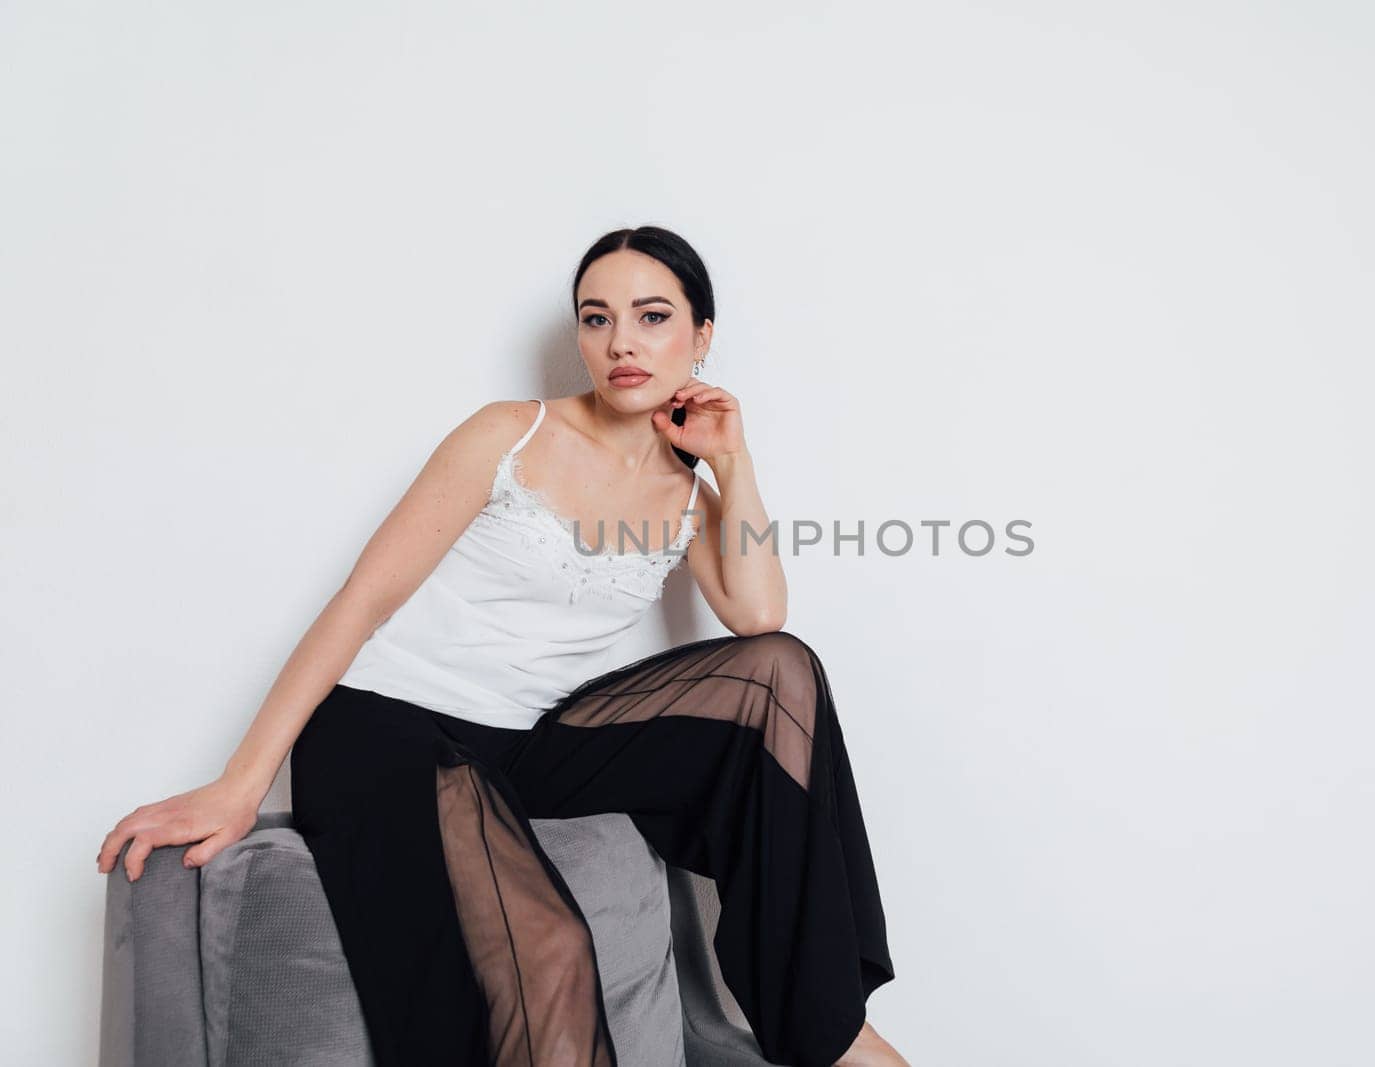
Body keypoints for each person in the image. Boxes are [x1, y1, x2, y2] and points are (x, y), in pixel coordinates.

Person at [96, 225, 906, 1067]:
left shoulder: (690, 497)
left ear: (701, 336)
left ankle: (824, 1026)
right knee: (549, 948)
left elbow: (760, 615)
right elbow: (362, 601)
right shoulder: (511, 435)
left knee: (780, 674)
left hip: (529, 739)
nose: (622, 341)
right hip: (391, 725)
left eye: (652, 315)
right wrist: (241, 782)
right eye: (597, 319)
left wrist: (731, 463)